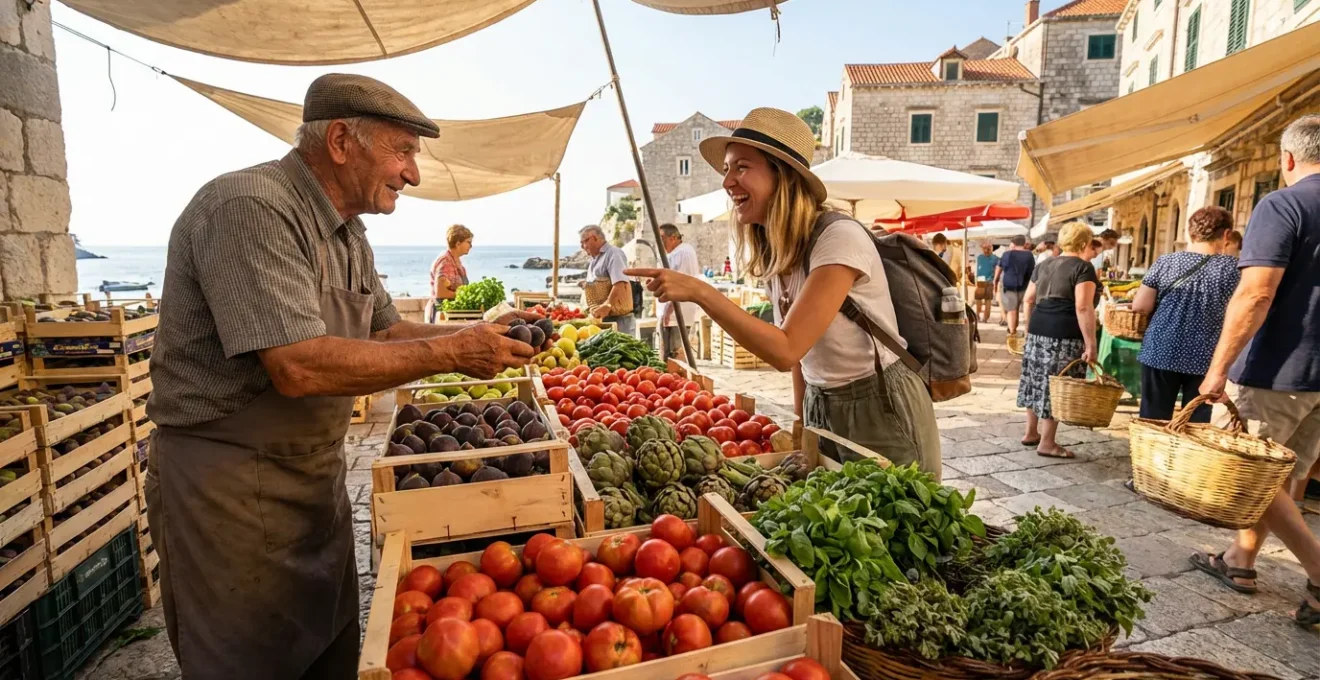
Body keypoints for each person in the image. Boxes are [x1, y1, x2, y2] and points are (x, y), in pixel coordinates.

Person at [144, 74, 540, 679]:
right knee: (249, 659)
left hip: (314, 479)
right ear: (339, 141)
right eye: (402, 151)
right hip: (228, 489)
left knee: (327, 649)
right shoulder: (250, 208)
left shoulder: (349, 232)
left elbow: (385, 331)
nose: (413, 174)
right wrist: (455, 353)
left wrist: (483, 334)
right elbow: (297, 364)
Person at [625, 108, 941, 475]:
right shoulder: (779, 249)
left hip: (880, 403)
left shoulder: (838, 236)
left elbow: (786, 349)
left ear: (783, 175)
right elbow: (801, 358)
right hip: (821, 401)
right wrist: (803, 425)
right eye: (727, 169)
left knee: (900, 509)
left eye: (742, 167)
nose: (727, 181)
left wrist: (701, 292)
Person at [1191, 114, 1320, 625]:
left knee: (1249, 476)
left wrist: (1216, 369)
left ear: (1287, 158)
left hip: (1275, 369)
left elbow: (1255, 293)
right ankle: (1240, 559)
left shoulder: (1283, 204)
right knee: (1283, 478)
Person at [1130, 207, 1240, 423]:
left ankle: (1151, 446)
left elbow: (1141, 305)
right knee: (1196, 423)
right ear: (1226, 234)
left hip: (1160, 349)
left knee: (1153, 420)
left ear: (1190, 233)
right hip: (1206, 356)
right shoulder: (1234, 269)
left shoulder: (1166, 261)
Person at [1017, 222, 1099, 459]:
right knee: (1057, 384)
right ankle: (1047, 442)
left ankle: (1030, 432)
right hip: (1064, 332)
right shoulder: (1083, 268)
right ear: (1083, 243)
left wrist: (1028, 328)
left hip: (1038, 327)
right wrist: (1091, 343)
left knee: (1035, 380)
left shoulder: (1043, 264)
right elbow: (1083, 307)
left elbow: (1028, 299)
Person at [580, 224, 636, 336]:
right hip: (603, 319)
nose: (582, 246)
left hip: (619, 320)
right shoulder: (594, 260)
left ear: (594, 238)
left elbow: (620, 282)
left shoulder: (613, 253)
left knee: (622, 346)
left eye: (584, 242)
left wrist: (608, 305)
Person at [657, 224, 701, 360]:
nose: (660, 242)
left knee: (675, 355)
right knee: (666, 355)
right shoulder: (677, 253)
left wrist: (669, 309)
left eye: (662, 238)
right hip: (671, 312)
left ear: (673, 238)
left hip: (677, 313)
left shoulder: (684, 252)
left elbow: (680, 284)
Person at [429, 224, 472, 322]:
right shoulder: (445, 261)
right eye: (468, 242)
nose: (471, 246)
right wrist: (465, 295)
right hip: (443, 315)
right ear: (458, 243)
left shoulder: (458, 263)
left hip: (452, 314)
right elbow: (441, 293)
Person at [998, 235, 1035, 336]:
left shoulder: (1007, 254)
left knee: (1012, 310)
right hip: (1025, 286)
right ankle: (1027, 331)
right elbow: (1032, 271)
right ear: (1024, 243)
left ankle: (1012, 332)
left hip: (1009, 286)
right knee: (1026, 308)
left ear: (1013, 243)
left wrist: (995, 280)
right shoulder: (1029, 255)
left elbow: (1000, 267)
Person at [973, 241, 999, 323]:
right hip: (981, 280)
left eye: (988, 248)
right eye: (984, 248)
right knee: (979, 299)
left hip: (988, 280)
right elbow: (978, 269)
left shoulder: (995, 258)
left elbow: (997, 270)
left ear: (991, 248)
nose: (986, 250)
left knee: (987, 299)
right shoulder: (980, 258)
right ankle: (979, 315)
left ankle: (984, 317)